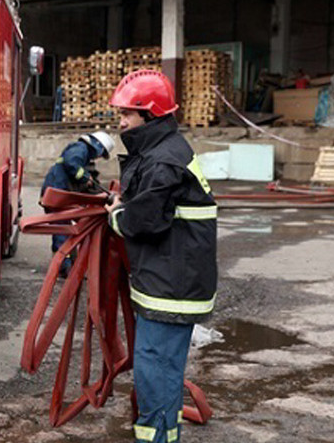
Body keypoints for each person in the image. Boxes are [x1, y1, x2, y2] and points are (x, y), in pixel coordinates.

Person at [103, 70, 217, 443]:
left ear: (149, 115)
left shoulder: (162, 161)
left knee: (156, 371)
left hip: (172, 287)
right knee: (161, 368)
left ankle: (155, 438)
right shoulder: (164, 150)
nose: (121, 122)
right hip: (171, 279)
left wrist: (117, 214)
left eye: (127, 115)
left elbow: (144, 221)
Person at [40, 131, 115, 274]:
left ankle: (66, 263)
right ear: (97, 146)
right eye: (101, 154)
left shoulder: (83, 152)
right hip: (57, 194)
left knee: (64, 228)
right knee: (61, 229)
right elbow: (72, 163)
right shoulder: (80, 148)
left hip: (59, 194)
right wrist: (85, 178)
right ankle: (65, 266)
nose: (99, 157)